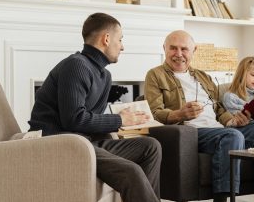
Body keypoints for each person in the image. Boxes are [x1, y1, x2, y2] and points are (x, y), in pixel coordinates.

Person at [145, 30, 254, 202]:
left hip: (218, 129)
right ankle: (225, 198)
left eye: (184, 49)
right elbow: (154, 113)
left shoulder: (203, 77)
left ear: (193, 51)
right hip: (191, 132)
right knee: (232, 135)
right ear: (164, 48)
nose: (179, 54)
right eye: (173, 48)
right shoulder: (155, 75)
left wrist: (233, 120)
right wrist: (179, 114)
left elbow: (218, 109)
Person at [28, 13, 162, 202]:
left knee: (151, 146)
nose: (122, 46)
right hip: (59, 143)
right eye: (120, 39)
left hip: (85, 142)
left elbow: (91, 120)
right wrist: (121, 119)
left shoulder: (104, 75)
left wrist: (124, 128)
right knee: (131, 171)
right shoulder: (76, 66)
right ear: (106, 39)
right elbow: (74, 119)